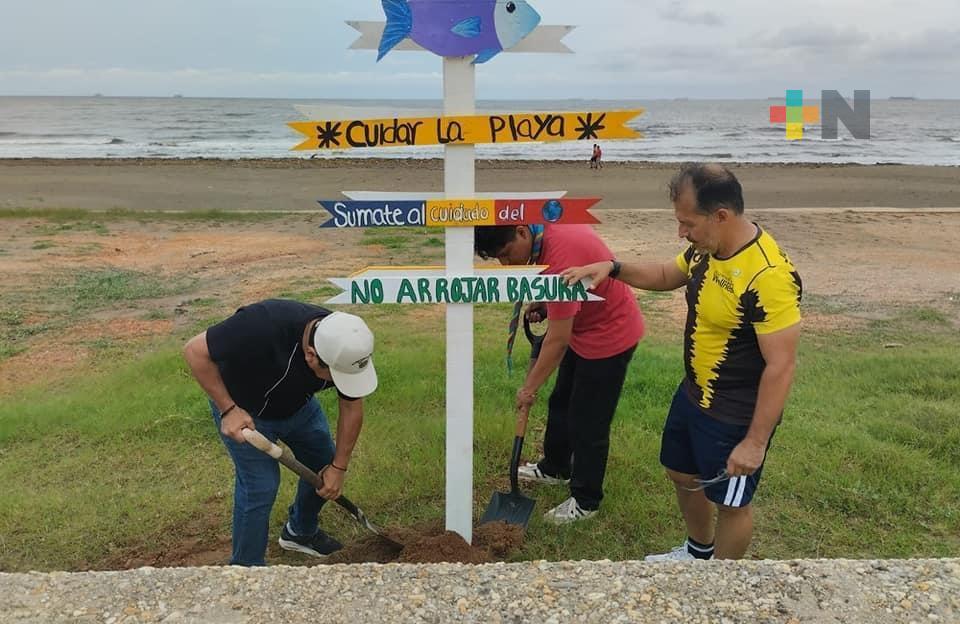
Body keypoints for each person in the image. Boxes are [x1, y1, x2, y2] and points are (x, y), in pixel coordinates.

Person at [561, 163, 801, 559]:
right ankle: (698, 551)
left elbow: (782, 365)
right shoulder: (708, 249)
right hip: (693, 394)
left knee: (730, 503)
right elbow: (664, 274)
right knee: (681, 471)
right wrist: (613, 268)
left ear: (720, 216)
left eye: (687, 223)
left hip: (736, 411)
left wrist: (755, 442)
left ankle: (718, 584)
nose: (681, 232)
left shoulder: (768, 275)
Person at [183, 299, 378, 566]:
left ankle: (300, 533)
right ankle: (246, 569)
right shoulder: (262, 324)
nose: (340, 384)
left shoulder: (344, 344)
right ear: (311, 355)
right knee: (260, 486)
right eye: (336, 377)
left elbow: (352, 406)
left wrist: (339, 467)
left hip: (298, 407)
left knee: (323, 462)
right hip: (242, 410)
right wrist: (228, 410)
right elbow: (194, 351)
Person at [475, 223, 644, 524]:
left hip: (610, 335)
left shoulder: (559, 259)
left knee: (587, 421)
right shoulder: (546, 234)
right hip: (584, 329)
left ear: (522, 232)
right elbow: (572, 297)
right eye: (498, 258)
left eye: (506, 254)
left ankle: (586, 500)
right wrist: (546, 305)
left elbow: (557, 341)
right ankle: (555, 468)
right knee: (561, 401)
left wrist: (528, 389)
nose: (506, 264)